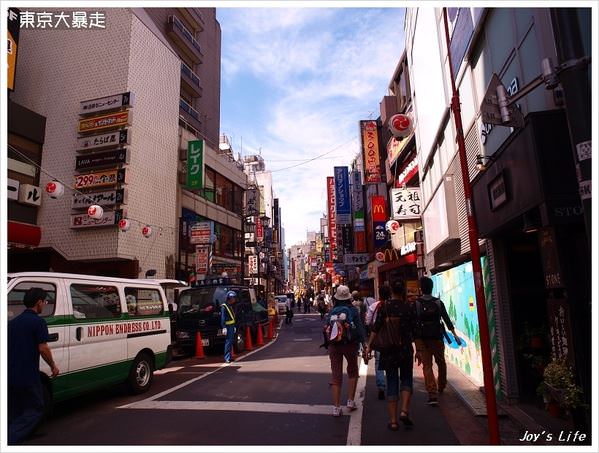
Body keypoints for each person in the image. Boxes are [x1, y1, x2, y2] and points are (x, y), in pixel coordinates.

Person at [8, 287, 60, 445]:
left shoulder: (13, 322)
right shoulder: (38, 322)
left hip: (10, 373)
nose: (44, 304)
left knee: (17, 410)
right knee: (36, 408)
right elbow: (43, 348)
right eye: (44, 301)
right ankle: (11, 438)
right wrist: (53, 366)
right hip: (28, 374)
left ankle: (20, 434)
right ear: (38, 302)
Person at [365, 281, 418, 431]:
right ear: (403, 292)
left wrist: (369, 345)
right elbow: (416, 330)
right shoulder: (409, 307)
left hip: (389, 351)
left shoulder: (385, 307)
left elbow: (376, 328)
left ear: (391, 291)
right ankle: (404, 410)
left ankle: (393, 421)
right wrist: (419, 350)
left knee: (392, 381)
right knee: (407, 378)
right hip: (406, 349)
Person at [414, 276, 461, 406]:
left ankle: (432, 393)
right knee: (441, 362)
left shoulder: (417, 304)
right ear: (432, 288)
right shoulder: (438, 303)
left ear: (421, 288)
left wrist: (416, 342)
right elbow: (446, 318)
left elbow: (414, 323)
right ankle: (441, 385)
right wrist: (454, 334)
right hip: (437, 337)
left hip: (423, 339)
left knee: (427, 366)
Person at [325, 285, 366, 417]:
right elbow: (360, 329)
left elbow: (326, 327)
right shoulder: (353, 310)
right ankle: (350, 401)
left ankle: (336, 408)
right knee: (352, 370)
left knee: (336, 374)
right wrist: (364, 345)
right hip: (349, 343)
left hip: (334, 345)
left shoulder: (332, 311)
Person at [365, 285, 391, 400]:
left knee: (379, 362)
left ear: (379, 294)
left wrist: (369, 343)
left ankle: (381, 386)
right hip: (392, 337)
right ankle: (392, 386)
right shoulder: (394, 305)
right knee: (392, 362)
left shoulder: (373, 306)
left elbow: (367, 322)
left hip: (378, 337)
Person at [221, 291, 237, 363]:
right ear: (230, 298)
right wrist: (224, 327)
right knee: (228, 342)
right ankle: (227, 357)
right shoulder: (224, 306)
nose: (234, 299)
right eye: (233, 298)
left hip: (231, 325)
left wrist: (234, 326)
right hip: (227, 326)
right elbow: (223, 318)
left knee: (231, 342)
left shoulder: (230, 305)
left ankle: (230, 356)